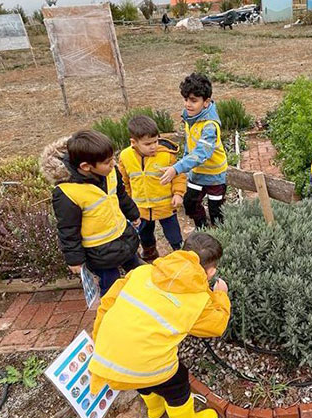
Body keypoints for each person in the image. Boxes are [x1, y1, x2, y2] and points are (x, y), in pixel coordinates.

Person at [88, 232, 230, 418]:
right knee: (177, 382)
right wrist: (220, 296)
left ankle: (154, 408)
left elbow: (107, 304)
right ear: (211, 272)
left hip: (108, 358)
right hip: (144, 364)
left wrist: (98, 338)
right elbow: (217, 326)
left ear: (180, 253)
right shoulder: (196, 300)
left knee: (141, 377)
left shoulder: (142, 273)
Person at [40, 130, 143, 296]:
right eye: (107, 162)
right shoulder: (67, 193)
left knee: (138, 274)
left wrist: (133, 213)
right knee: (111, 288)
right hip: (100, 252)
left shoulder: (110, 172)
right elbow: (68, 229)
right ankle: (111, 316)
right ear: (86, 167)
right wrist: (75, 260)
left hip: (123, 237)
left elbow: (121, 194)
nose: (113, 164)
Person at [160, 73, 228, 229]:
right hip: (197, 173)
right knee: (190, 203)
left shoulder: (210, 126)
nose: (188, 104)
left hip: (215, 177)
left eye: (193, 100)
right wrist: (183, 168)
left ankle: (220, 235)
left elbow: (201, 153)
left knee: (216, 211)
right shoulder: (190, 119)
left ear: (206, 102)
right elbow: (190, 148)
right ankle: (202, 229)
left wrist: (176, 169)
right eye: (186, 99)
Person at [119, 115, 187, 262]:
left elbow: (178, 176)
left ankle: (180, 253)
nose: (153, 146)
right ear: (133, 142)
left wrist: (178, 193)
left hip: (165, 207)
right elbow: (124, 183)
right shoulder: (125, 157)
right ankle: (150, 252)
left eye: (156, 141)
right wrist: (128, 204)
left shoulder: (166, 155)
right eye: (148, 144)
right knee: (145, 234)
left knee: (173, 233)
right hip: (141, 208)